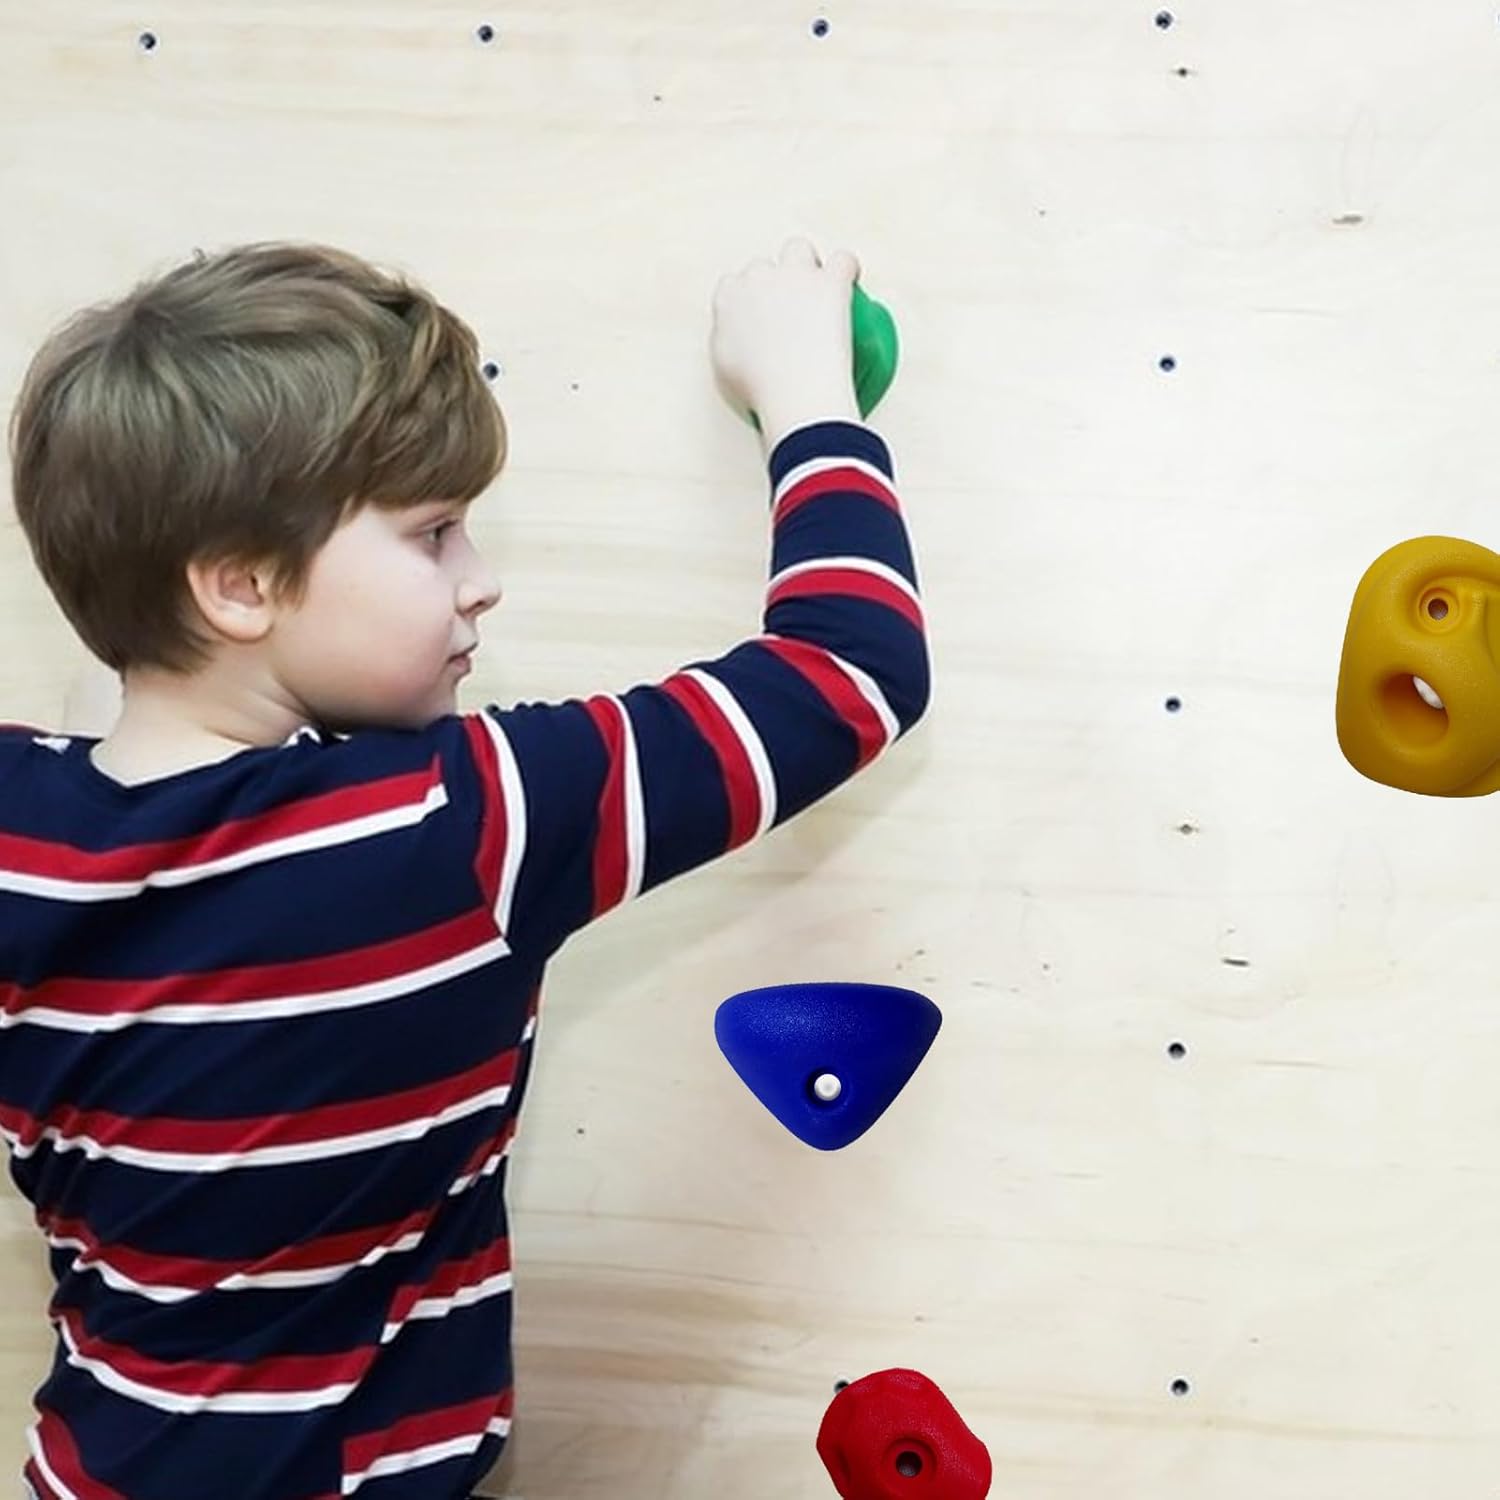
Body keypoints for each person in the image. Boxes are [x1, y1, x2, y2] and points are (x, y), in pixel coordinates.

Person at [0, 235, 930, 1499]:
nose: (479, 584)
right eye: (434, 534)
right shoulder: (461, 825)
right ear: (240, 585)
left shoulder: (21, 835)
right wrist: (803, 383)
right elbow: (849, 672)